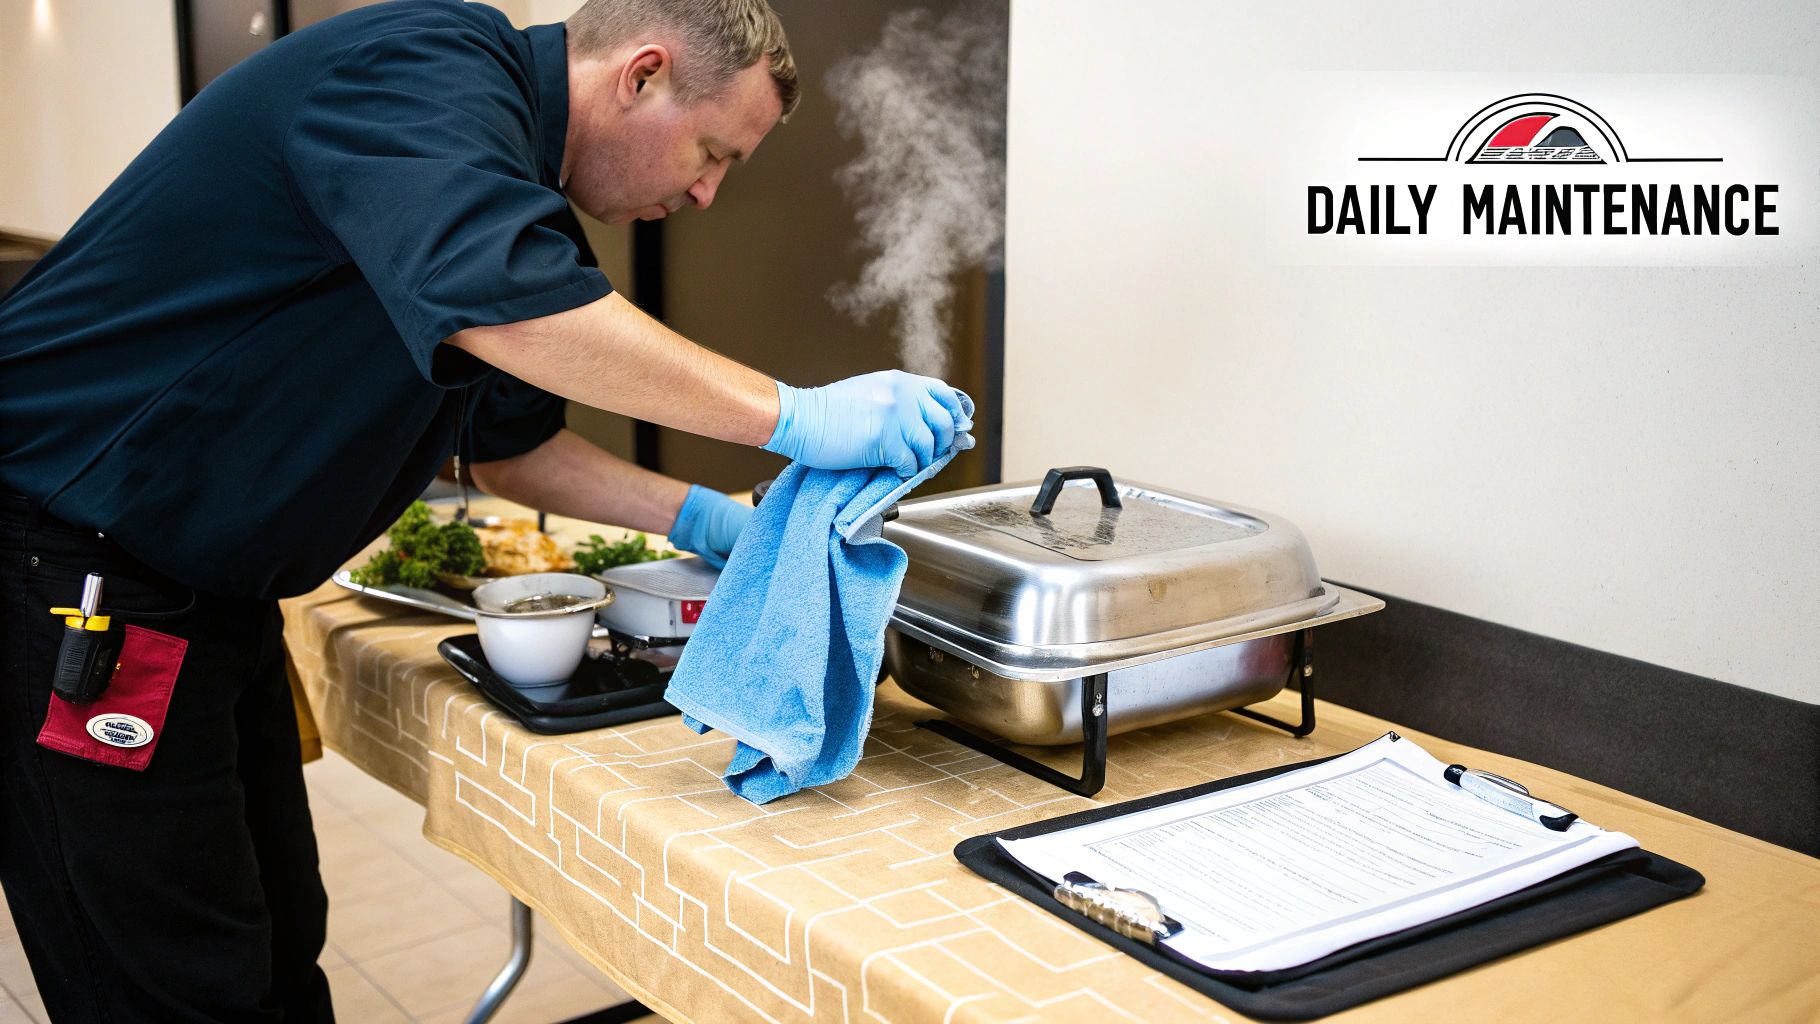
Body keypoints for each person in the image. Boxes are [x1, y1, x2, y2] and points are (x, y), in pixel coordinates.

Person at [0, 0, 970, 1019]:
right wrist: (794, 416)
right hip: (79, 570)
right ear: (639, 75)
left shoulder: (510, 187)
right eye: (709, 151)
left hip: (206, 591)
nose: (705, 192)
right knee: (172, 986)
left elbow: (516, 449)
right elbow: (507, 309)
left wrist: (704, 519)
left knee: (276, 944)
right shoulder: (417, 71)